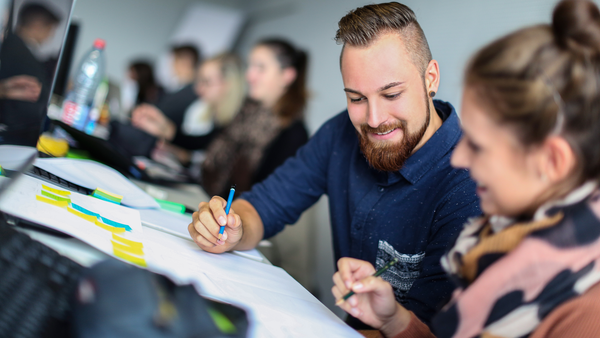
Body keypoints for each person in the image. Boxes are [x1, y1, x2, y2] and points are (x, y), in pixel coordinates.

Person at [188, 2, 480, 327]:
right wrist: (231, 229)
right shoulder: (340, 132)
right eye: (356, 98)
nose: (374, 119)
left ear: (430, 78)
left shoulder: (471, 184)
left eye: (392, 94)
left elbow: (437, 332)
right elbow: (264, 205)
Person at [331, 0, 600, 337]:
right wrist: (394, 321)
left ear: (553, 161)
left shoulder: (584, 314)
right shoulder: (495, 241)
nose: (459, 158)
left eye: (480, 146)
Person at [200, 39, 310, 197]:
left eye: (260, 68)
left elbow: (269, 195)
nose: (249, 75)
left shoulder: (293, 134)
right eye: (250, 66)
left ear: (287, 75)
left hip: (236, 216)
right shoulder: (246, 110)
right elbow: (211, 140)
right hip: (207, 195)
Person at [0, 3, 60, 145]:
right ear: (38, 25)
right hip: (15, 133)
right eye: (50, 29)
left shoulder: (14, 46)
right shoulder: (19, 53)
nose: (50, 35)